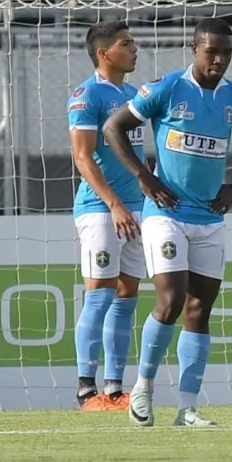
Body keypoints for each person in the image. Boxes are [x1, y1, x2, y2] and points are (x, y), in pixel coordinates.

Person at [104, 18, 232, 427]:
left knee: (200, 308)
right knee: (172, 300)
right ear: (194, 49)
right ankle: (142, 389)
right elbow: (114, 128)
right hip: (167, 214)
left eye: (226, 53)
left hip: (210, 218)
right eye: (212, 51)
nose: (219, 60)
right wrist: (144, 178)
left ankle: (186, 408)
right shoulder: (167, 88)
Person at [68, 21, 145, 412]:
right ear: (104, 53)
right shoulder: (87, 95)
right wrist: (114, 203)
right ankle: (86, 390)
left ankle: (114, 389)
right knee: (98, 295)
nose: (135, 49)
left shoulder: (132, 95)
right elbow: (82, 157)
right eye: (126, 44)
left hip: (137, 209)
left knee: (127, 296)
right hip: (101, 209)